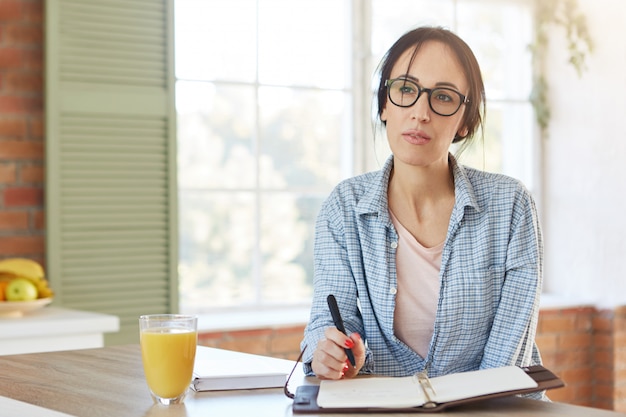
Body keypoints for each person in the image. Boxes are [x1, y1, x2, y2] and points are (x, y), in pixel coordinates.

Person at [300, 26, 545, 400]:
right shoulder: (344, 207)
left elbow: (505, 363)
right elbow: (329, 319)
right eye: (405, 89)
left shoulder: (511, 206)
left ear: (464, 120)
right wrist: (331, 350)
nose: (420, 112)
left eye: (443, 97)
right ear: (384, 104)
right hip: (382, 407)